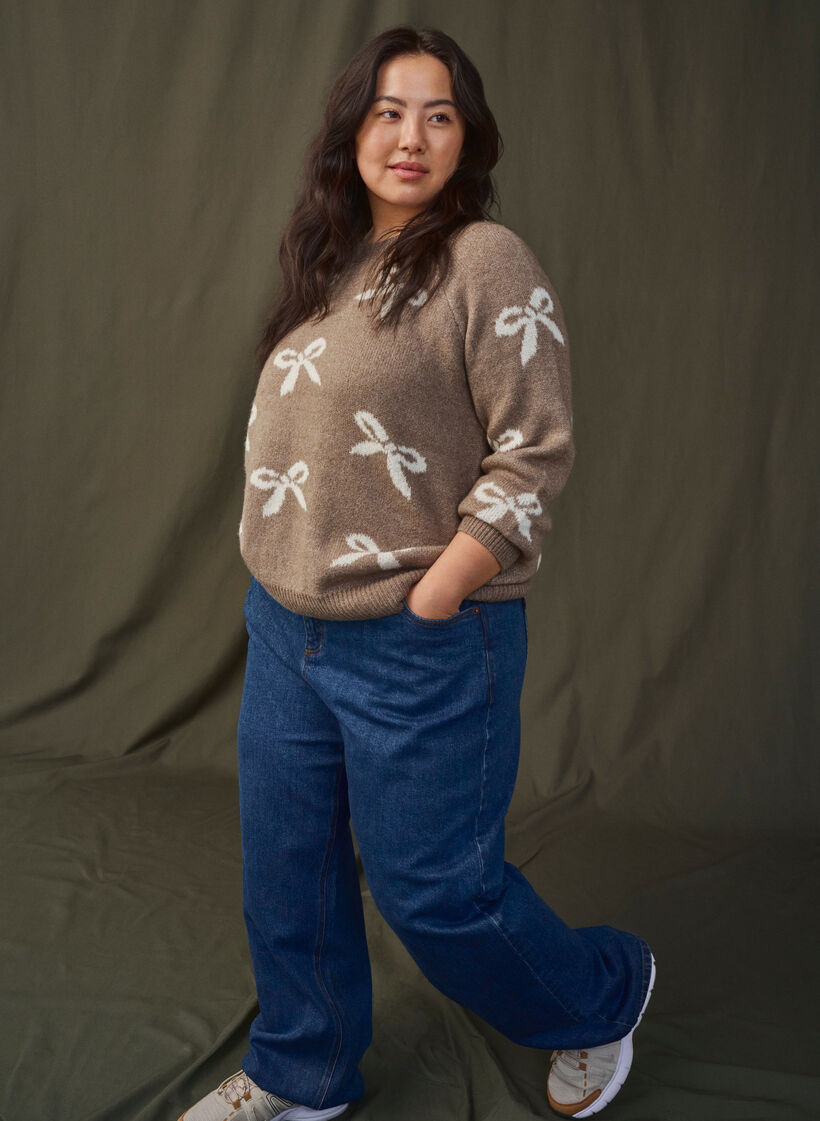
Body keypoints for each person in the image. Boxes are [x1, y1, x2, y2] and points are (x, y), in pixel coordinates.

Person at [178, 24, 655, 1121]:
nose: (411, 135)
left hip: (421, 633)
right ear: (351, 131)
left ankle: (601, 996)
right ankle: (304, 1072)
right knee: (286, 875)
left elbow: (535, 450)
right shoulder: (329, 262)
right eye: (389, 111)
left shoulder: (485, 260)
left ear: (466, 138)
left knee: (436, 892)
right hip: (286, 626)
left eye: (438, 114)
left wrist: (440, 588)